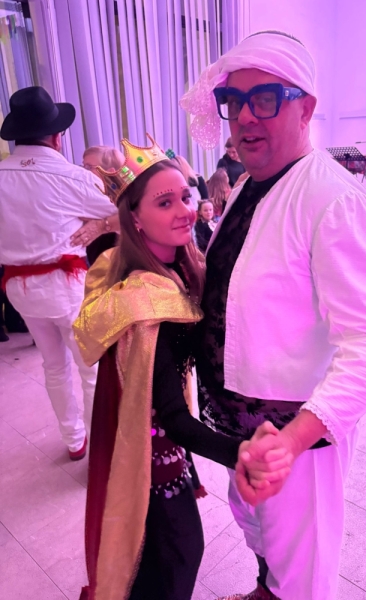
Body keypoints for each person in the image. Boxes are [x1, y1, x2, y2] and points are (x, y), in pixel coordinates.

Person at [181, 30, 366, 600]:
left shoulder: (334, 202)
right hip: (241, 421)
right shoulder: (248, 187)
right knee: (261, 532)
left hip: (296, 434)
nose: (244, 117)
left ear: (305, 108)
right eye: (233, 101)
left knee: (302, 566)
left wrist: (294, 440)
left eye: (265, 99)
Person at [73, 136, 289, 600]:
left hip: (164, 445)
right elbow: (172, 416)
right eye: (164, 202)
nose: (185, 211)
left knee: (168, 557)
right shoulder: (146, 300)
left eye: (186, 196)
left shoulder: (179, 264)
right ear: (135, 218)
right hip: (151, 453)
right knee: (175, 557)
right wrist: (240, 451)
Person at [0, 86, 117, 460]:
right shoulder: (72, 177)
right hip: (65, 287)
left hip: (18, 290)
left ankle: (74, 440)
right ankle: (98, 444)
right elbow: (128, 213)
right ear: (56, 137)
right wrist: (101, 224)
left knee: (53, 365)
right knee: (91, 367)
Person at [70, 145, 124, 265]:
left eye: (88, 167)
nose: (82, 172)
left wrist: (103, 225)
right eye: (82, 166)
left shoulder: (125, 200)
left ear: (110, 172)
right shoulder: (84, 197)